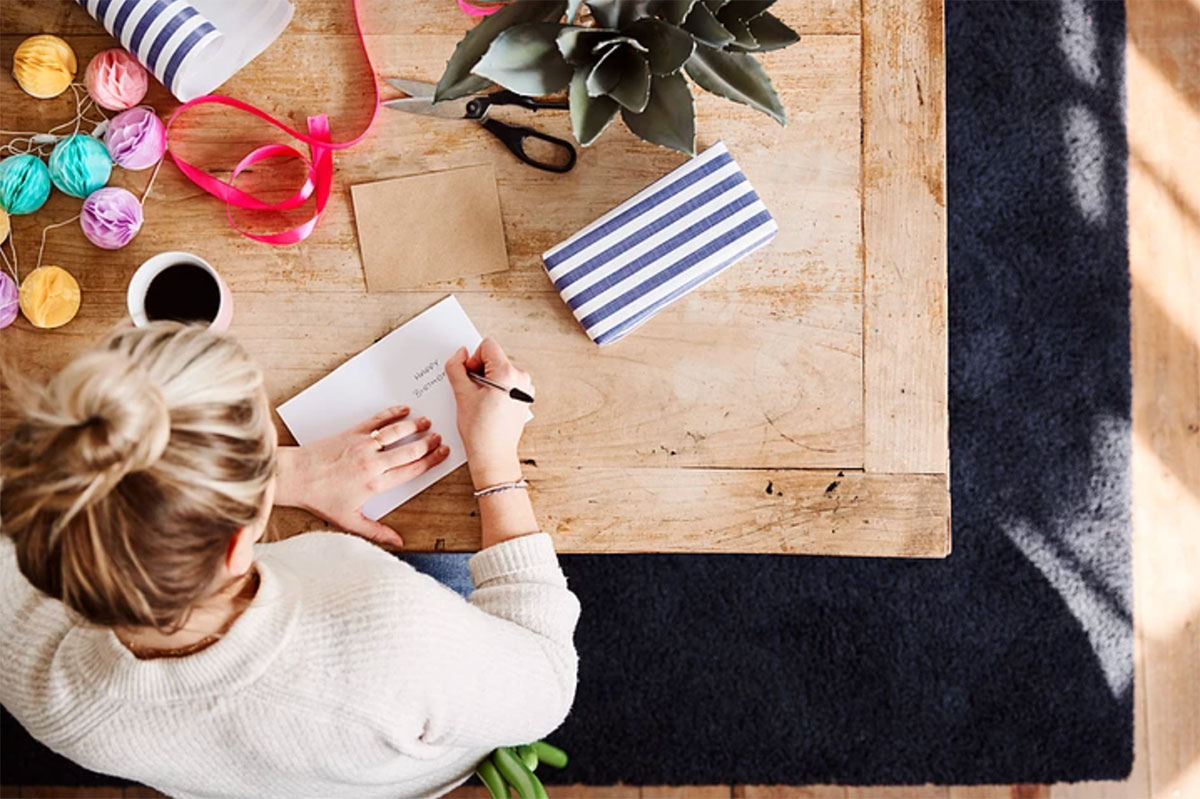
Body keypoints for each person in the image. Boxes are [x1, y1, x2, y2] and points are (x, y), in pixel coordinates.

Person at [0, 322, 579, 799]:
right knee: (441, 553)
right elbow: (548, 683)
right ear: (234, 545)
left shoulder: (51, 696)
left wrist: (290, 473)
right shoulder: (390, 625)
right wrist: (495, 460)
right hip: (407, 753)